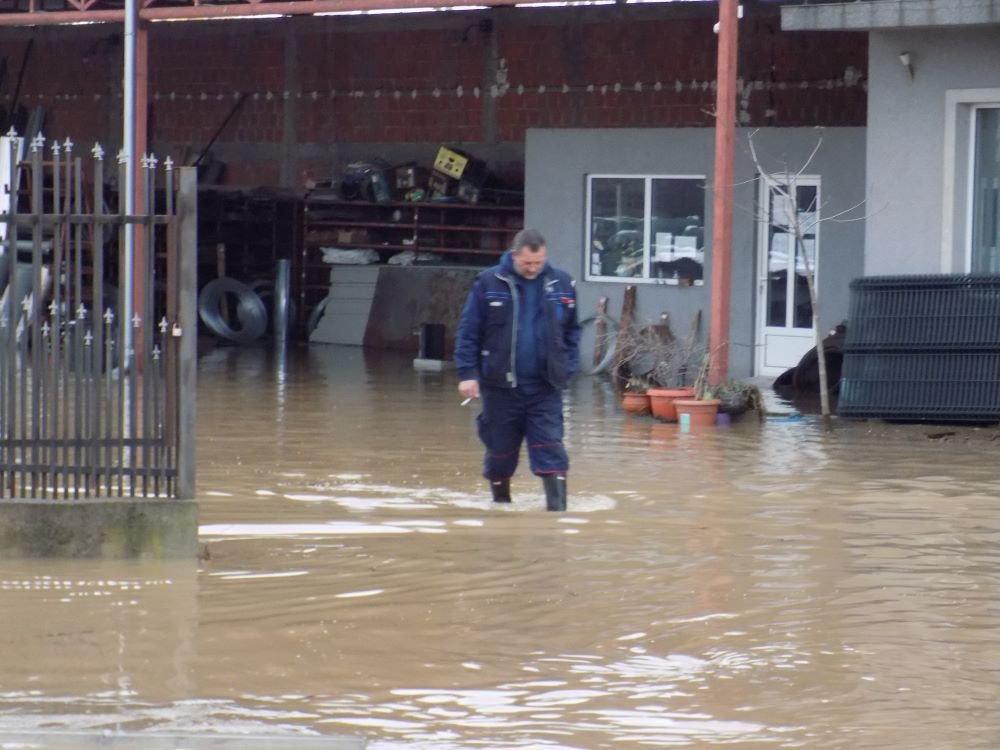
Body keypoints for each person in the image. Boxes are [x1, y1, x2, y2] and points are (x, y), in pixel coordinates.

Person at [455, 229, 581, 511]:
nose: (533, 268)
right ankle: (501, 508)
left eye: (538, 262)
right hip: (500, 387)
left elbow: (573, 332)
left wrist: (567, 368)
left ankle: (558, 516)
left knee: (551, 449)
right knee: (500, 452)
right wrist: (468, 374)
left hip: (546, 386)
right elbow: (469, 332)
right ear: (514, 255)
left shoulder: (561, 283)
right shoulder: (489, 282)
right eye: (527, 263)